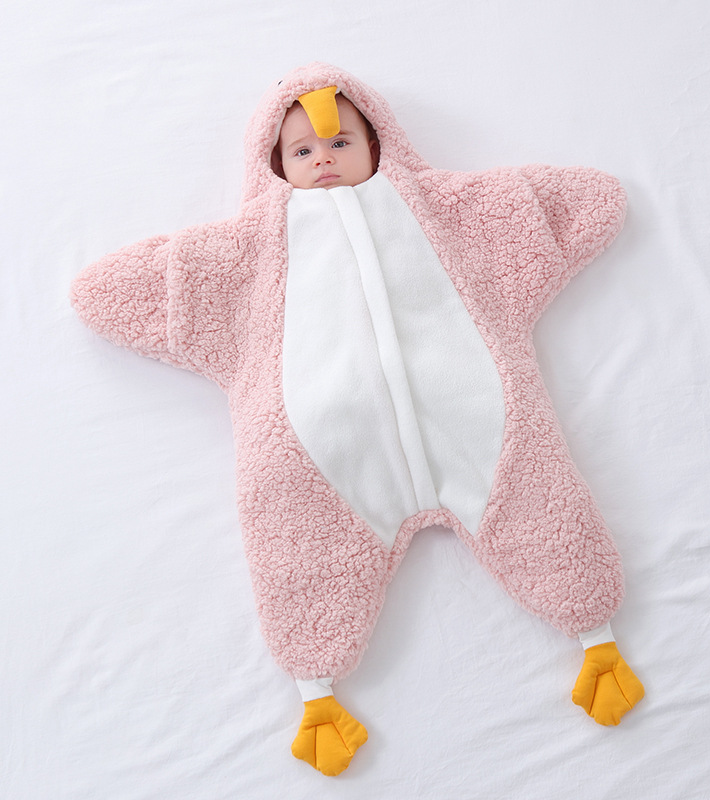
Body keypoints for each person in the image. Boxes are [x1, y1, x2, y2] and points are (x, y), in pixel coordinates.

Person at [71, 63, 644, 778]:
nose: (323, 158)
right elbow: (108, 293)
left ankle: (597, 638)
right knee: (299, 545)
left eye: (340, 142)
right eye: (302, 150)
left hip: (482, 428)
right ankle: (317, 695)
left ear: (378, 143)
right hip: (325, 458)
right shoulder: (248, 254)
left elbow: (583, 202)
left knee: (543, 506)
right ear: (275, 164)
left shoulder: (449, 216)